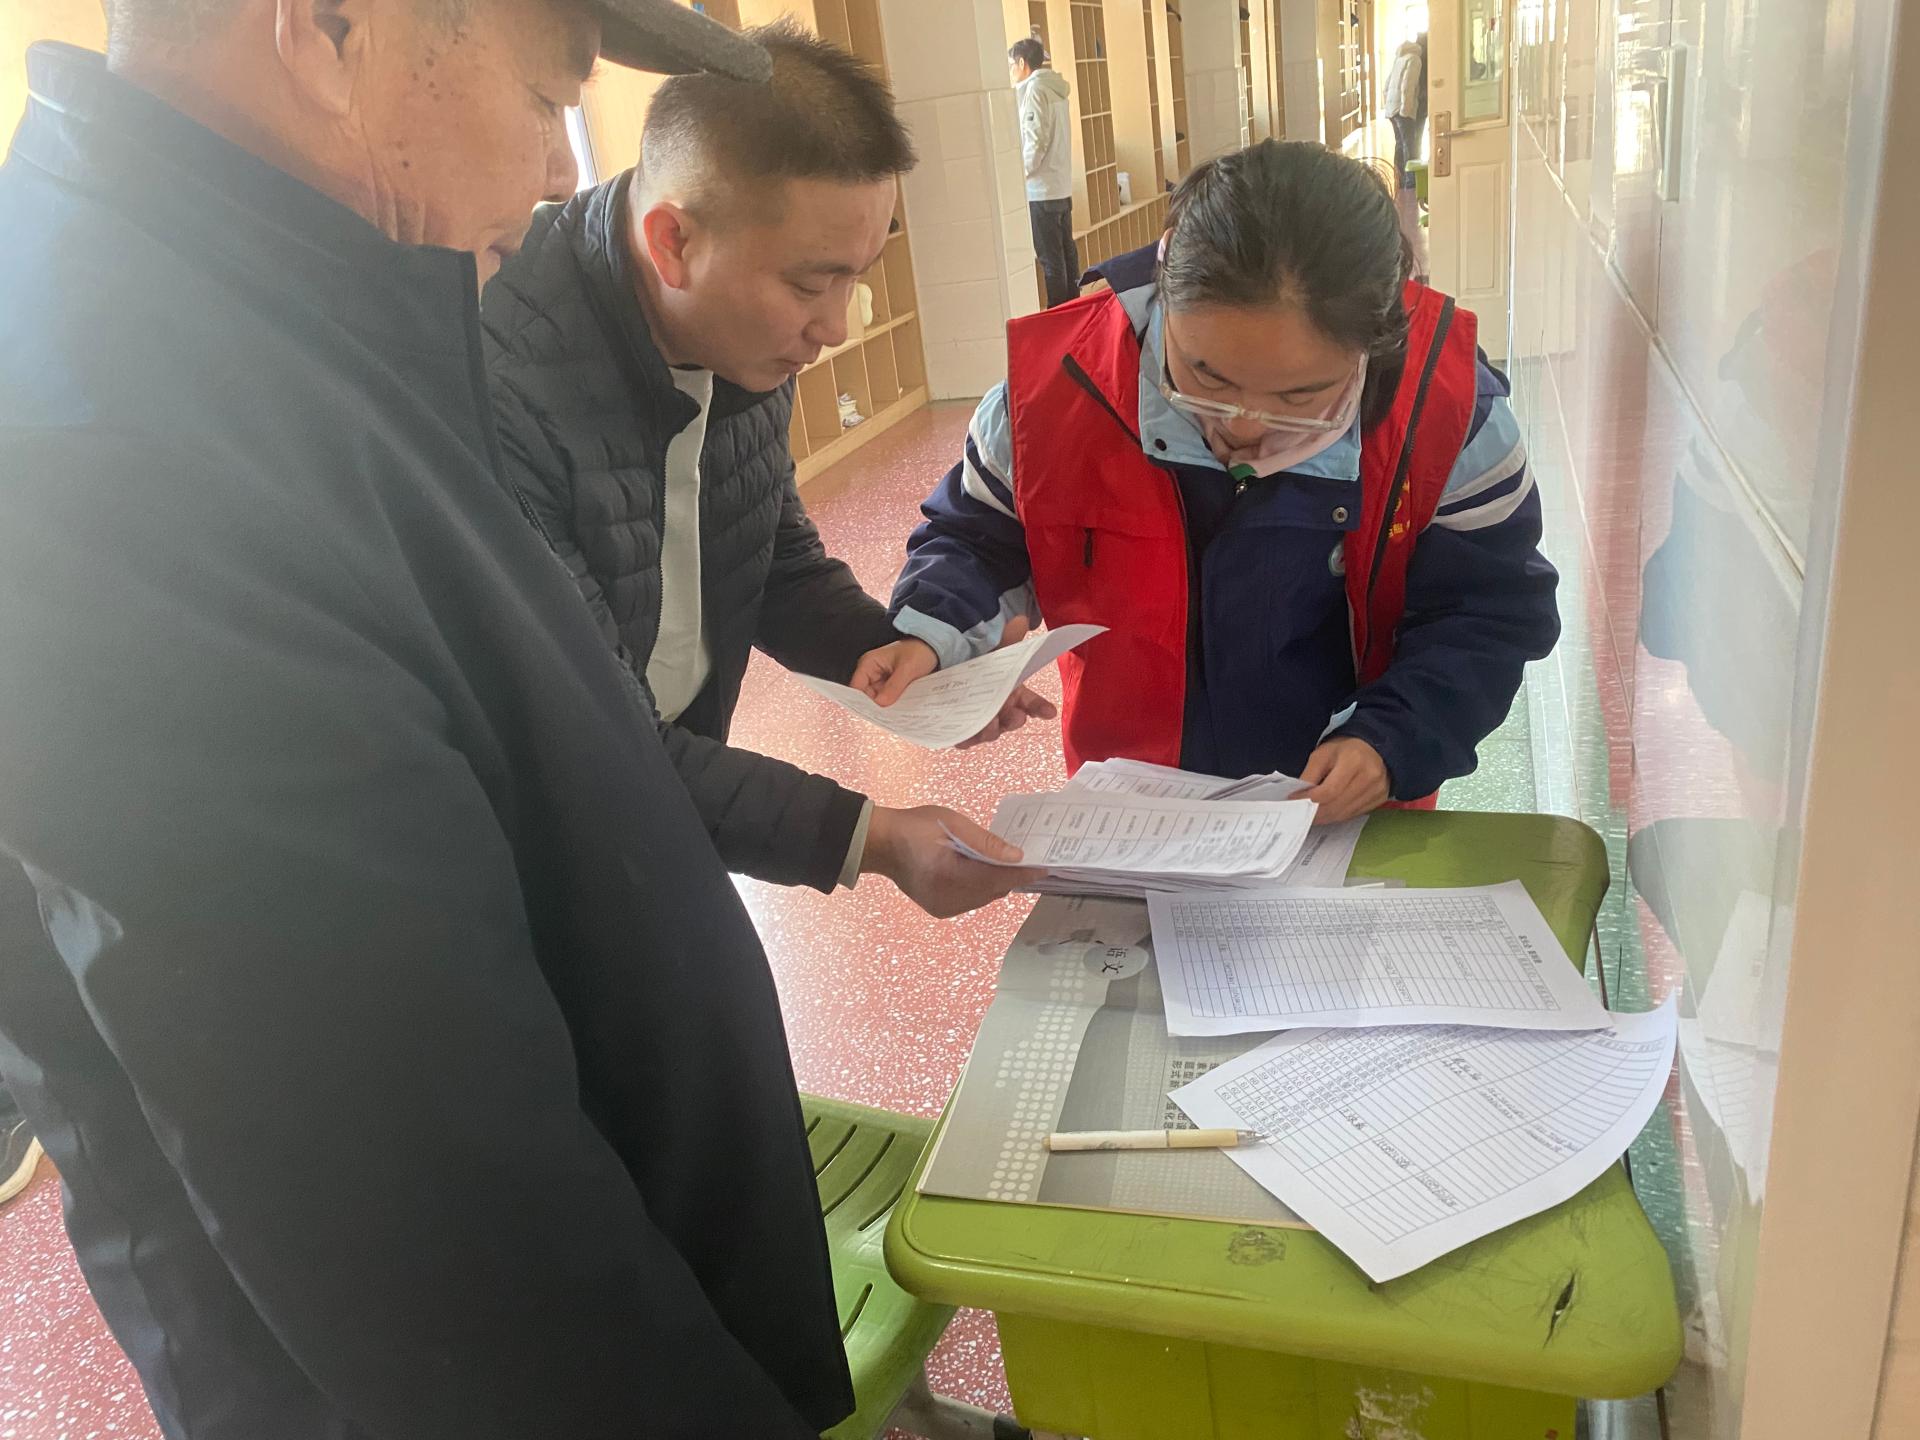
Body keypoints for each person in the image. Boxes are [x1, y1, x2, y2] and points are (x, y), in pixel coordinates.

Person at [0, 2, 899, 1435]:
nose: (561, 169)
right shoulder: (112, 450)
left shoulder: (302, 312)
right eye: (547, 97)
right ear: (328, 31)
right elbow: (431, 1208)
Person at [485, 21, 1047, 913]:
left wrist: (913, 668)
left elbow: (771, 558)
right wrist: (870, 837)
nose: (837, 326)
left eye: (857, 276)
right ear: (673, 241)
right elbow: (595, 737)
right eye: (809, 284)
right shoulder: (503, 382)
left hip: (666, 804)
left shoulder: (740, 344)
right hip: (525, 850)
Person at [854, 140, 1560, 823]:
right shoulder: (1055, 393)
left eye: (1298, 396)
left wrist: (1390, 740)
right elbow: (978, 539)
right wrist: (936, 634)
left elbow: (1486, 615)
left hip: (1345, 817)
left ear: (1372, 345)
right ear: (1166, 289)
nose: (1244, 429)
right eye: (1206, 377)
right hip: (1134, 815)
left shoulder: (1448, 415)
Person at [1010, 36, 1079, 308]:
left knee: (1051, 260)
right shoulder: (1055, 89)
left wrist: (1020, 175)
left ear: (1022, 63)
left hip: (1041, 190)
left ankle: (1058, 314)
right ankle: (1073, 309)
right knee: (1066, 254)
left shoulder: (1035, 91)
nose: (1011, 71)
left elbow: (1035, 142)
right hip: (1060, 185)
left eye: (1012, 65)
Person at [1385, 33, 1426, 192]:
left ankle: (1399, 178)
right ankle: (1411, 180)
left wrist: (1388, 105)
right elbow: (1408, 86)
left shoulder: (1399, 57)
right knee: (1409, 144)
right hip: (1403, 108)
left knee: (1399, 144)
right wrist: (1406, 110)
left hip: (1392, 107)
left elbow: (1387, 84)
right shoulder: (1415, 59)